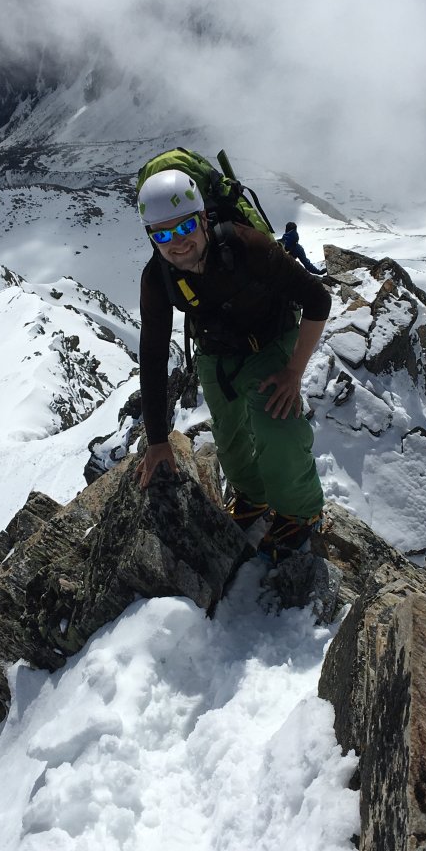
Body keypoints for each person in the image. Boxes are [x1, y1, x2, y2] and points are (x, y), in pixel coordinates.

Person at [135, 161, 331, 561]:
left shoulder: (247, 246)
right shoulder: (158, 277)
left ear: (203, 219)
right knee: (229, 435)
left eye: (184, 228)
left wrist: (293, 372)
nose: (177, 243)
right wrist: (156, 441)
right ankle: (253, 497)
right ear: (151, 236)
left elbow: (318, 300)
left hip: (270, 340)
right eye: (163, 234)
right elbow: (152, 354)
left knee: (277, 425)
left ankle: (300, 513)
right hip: (216, 351)